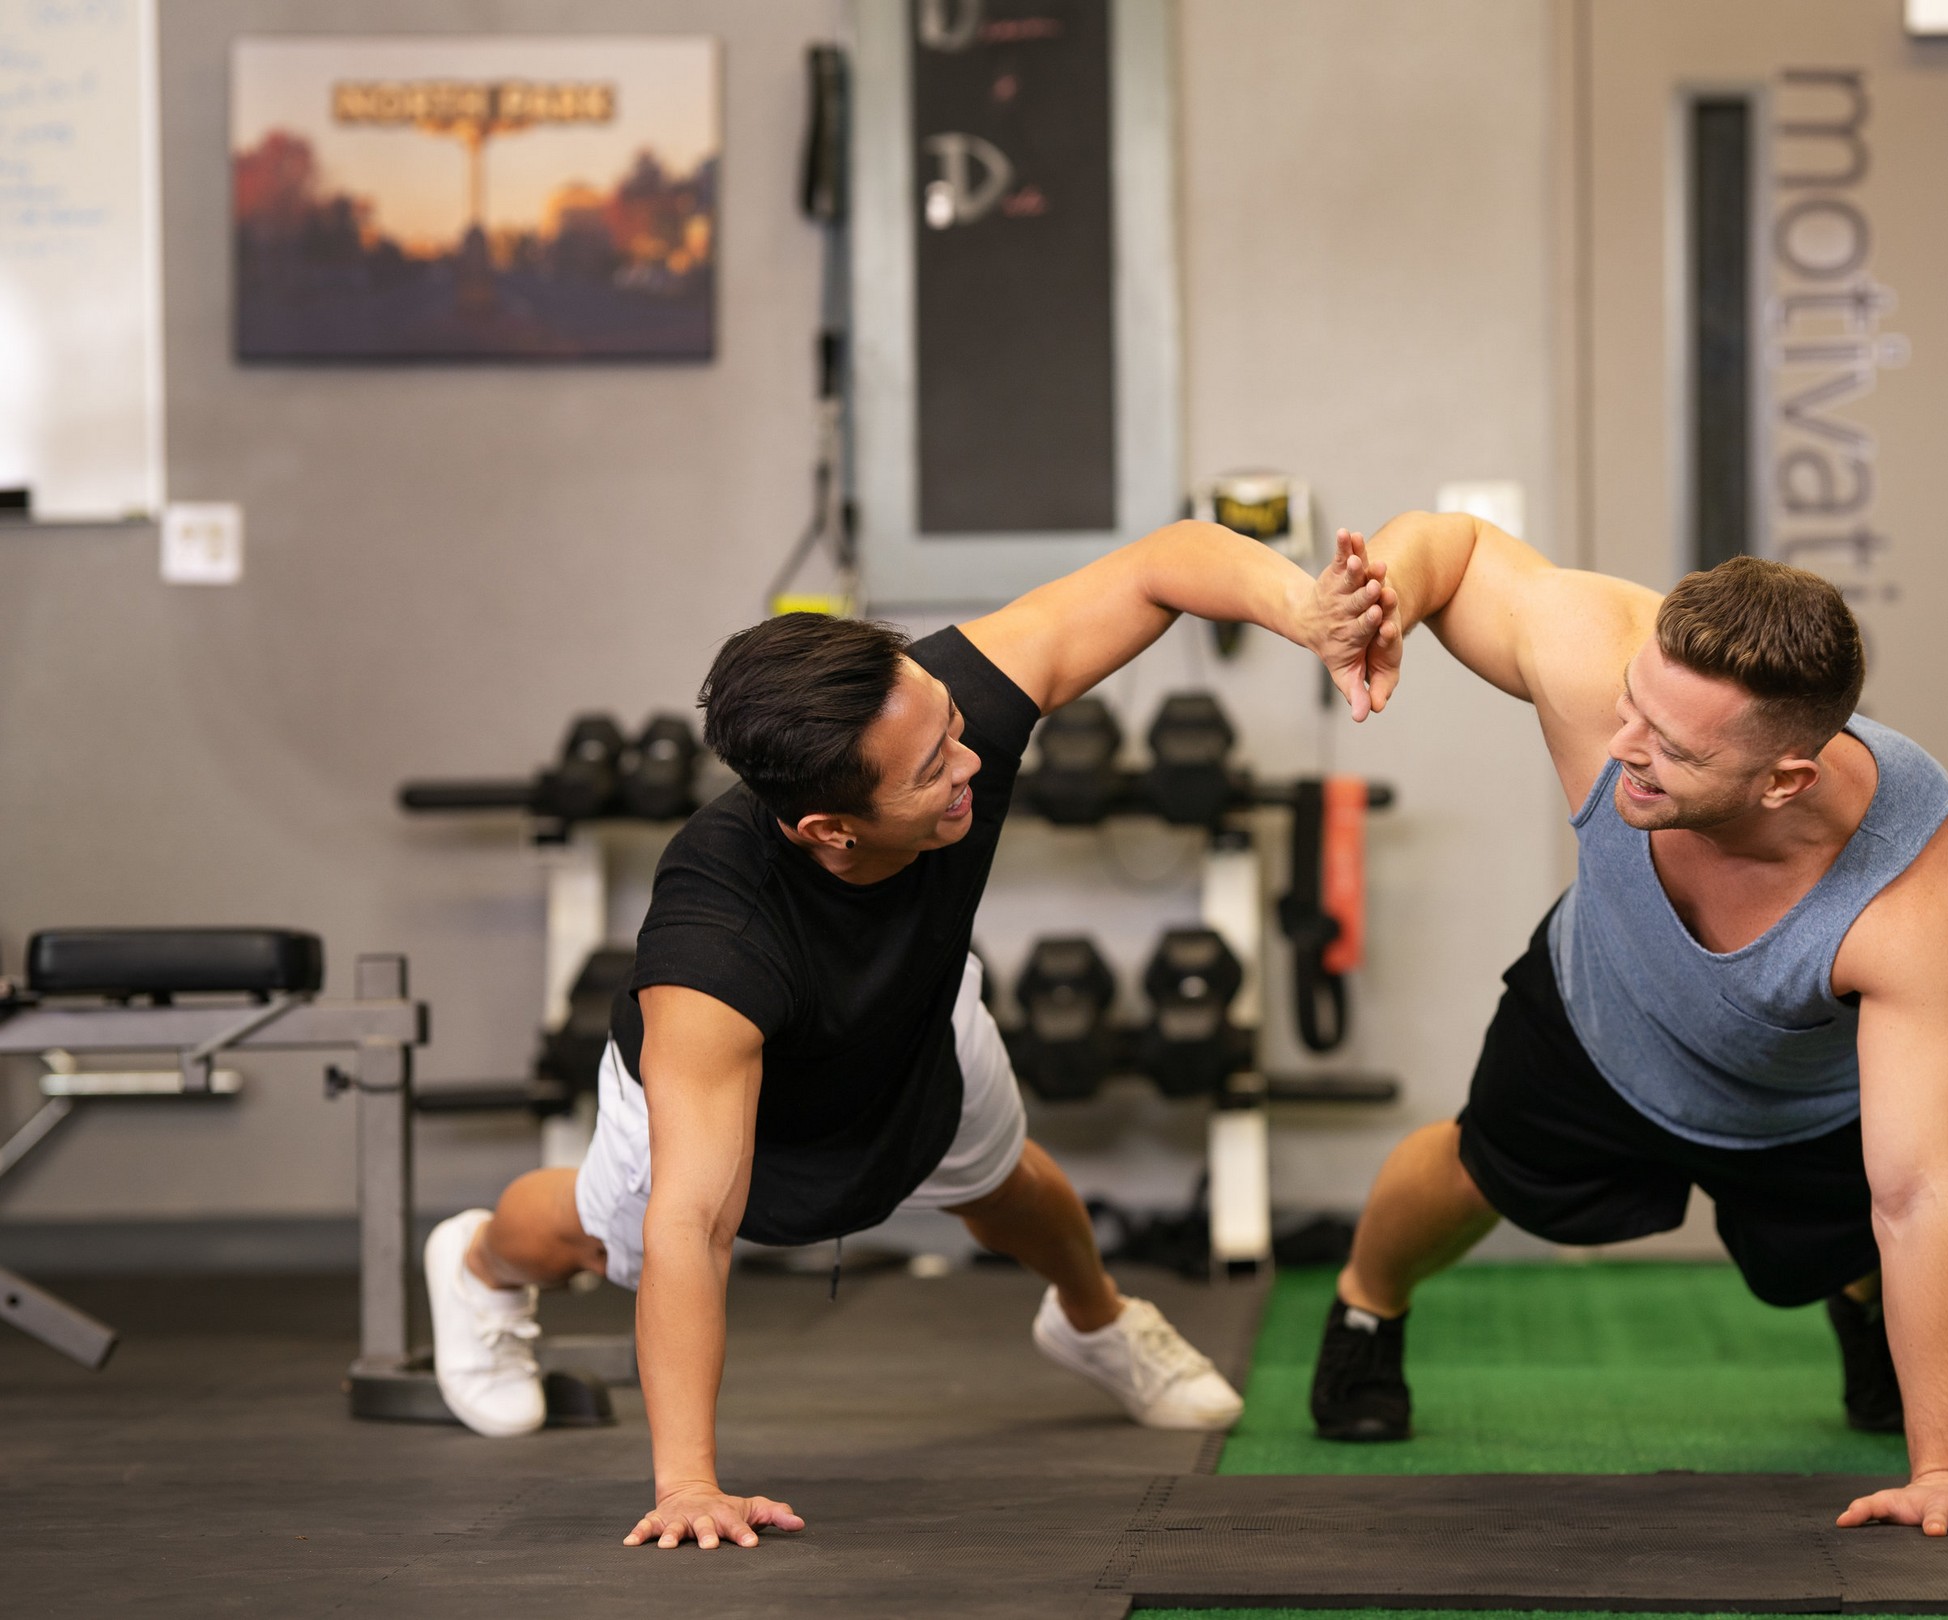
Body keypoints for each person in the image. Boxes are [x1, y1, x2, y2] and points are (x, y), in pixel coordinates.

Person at [420, 523, 1392, 1551]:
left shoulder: (927, 709)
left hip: (915, 1009)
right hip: (735, 1095)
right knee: (588, 1235)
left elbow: (1162, 565)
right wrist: (690, 1484)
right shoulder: (714, 949)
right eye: (935, 768)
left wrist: (1309, 614)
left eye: (957, 728)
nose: (973, 761)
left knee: (1008, 1187)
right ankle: (479, 1267)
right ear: (829, 830)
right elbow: (694, 1228)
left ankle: (1098, 1321)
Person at [1307, 514, 1948, 1541]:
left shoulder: (1911, 896)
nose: (1622, 747)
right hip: (1600, 1013)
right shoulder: (1595, 662)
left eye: (1670, 748)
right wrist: (1372, 600)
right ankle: (1367, 1304)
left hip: (1794, 1100)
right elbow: (1458, 551)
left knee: (1859, 1228)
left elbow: (1920, 1191)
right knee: (1470, 1170)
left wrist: (1946, 1471)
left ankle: (1856, 1307)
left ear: (1785, 780)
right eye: (1634, 706)